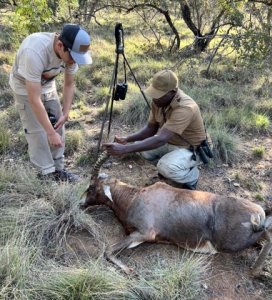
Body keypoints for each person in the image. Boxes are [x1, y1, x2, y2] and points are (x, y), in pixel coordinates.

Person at [9, 24, 92, 182]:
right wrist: (50, 132)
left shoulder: (71, 54)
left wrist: (66, 112)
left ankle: (58, 169)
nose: (75, 61)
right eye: (73, 57)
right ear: (60, 45)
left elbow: (69, 84)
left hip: (47, 85)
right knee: (37, 131)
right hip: (25, 88)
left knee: (58, 124)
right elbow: (34, 98)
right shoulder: (34, 51)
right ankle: (45, 173)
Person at [103, 69, 210, 190]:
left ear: (173, 92)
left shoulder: (185, 107)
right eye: (154, 93)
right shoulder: (159, 102)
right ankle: (169, 166)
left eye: (159, 95)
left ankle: (191, 176)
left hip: (192, 149)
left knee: (165, 167)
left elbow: (161, 139)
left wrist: (125, 149)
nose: (154, 99)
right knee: (141, 148)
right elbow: (150, 129)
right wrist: (127, 139)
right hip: (172, 142)